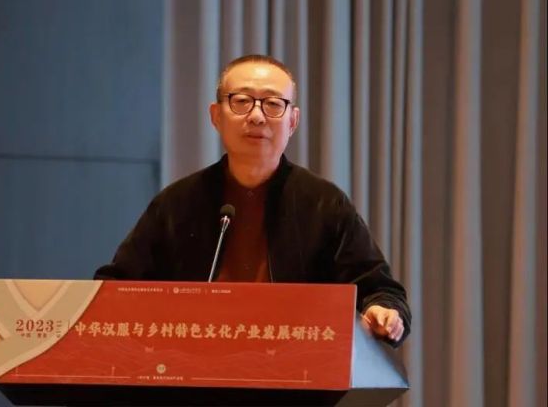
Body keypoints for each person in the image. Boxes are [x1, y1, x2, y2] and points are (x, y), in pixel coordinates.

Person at [95, 54, 410, 346]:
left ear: (292, 121)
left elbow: (379, 290)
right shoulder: (177, 203)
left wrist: (383, 311)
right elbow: (116, 287)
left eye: (273, 104)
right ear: (216, 116)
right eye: (242, 102)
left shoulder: (324, 204)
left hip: (291, 365)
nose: (257, 116)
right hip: (193, 363)